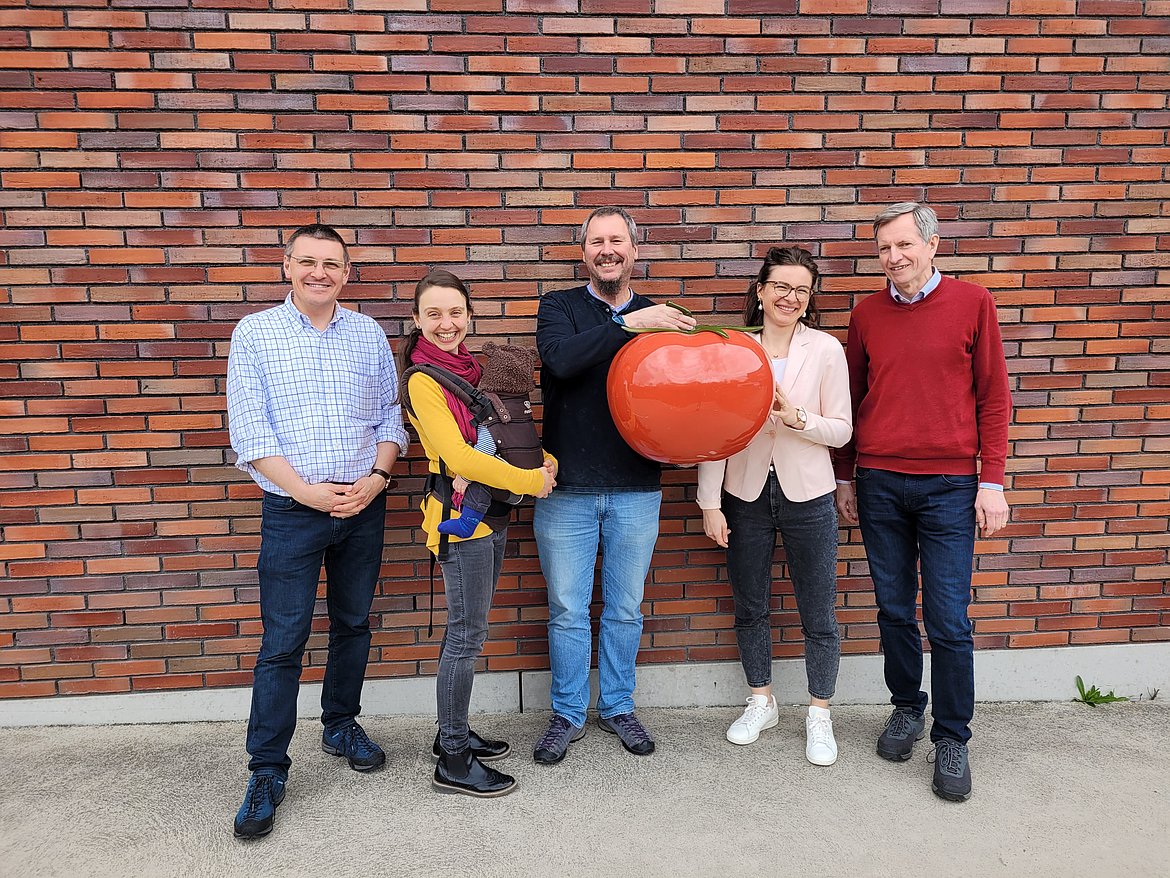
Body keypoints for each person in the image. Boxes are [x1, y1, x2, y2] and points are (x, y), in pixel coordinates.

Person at [226, 224, 408, 839]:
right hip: (292, 512)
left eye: (332, 263)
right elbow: (249, 432)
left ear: (347, 273)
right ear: (287, 267)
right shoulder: (255, 334)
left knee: (353, 623)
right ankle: (267, 769)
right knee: (283, 642)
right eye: (308, 261)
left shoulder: (368, 335)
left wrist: (378, 479)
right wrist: (304, 491)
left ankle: (339, 724)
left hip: (363, 506)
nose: (319, 272)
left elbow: (391, 415)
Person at [833, 202, 1012, 802]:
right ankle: (907, 707)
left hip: (950, 486)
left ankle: (952, 736)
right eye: (884, 248)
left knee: (947, 619)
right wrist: (845, 477)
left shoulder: (972, 303)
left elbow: (993, 398)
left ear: (933, 246)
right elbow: (853, 399)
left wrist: (993, 481)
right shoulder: (866, 315)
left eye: (905, 245)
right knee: (892, 610)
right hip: (880, 479)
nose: (894, 257)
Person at [532, 206, 697, 764]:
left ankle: (620, 707)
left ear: (634, 250)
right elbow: (560, 362)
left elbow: (680, 393)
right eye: (597, 241)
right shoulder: (559, 308)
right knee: (568, 611)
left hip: (636, 487)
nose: (608, 250)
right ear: (584, 253)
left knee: (625, 609)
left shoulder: (661, 314)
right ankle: (568, 713)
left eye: (617, 241)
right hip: (567, 489)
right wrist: (627, 326)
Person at [400, 269, 556, 797]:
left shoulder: (475, 369)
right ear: (417, 320)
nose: (446, 323)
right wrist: (530, 481)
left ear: (469, 315)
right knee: (465, 639)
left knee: (468, 634)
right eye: (434, 314)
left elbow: (506, 436)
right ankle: (452, 756)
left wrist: (542, 461)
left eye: (455, 312)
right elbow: (458, 455)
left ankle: (457, 730)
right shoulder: (424, 379)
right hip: (459, 520)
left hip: (494, 514)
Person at [697, 247, 852, 766]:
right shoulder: (736, 348)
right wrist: (709, 503)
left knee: (818, 608)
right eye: (780, 286)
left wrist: (797, 417)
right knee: (750, 604)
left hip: (808, 493)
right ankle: (761, 699)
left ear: (810, 301)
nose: (790, 296)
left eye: (801, 290)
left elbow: (843, 430)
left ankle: (819, 711)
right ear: (760, 292)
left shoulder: (827, 349)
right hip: (744, 495)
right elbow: (715, 430)